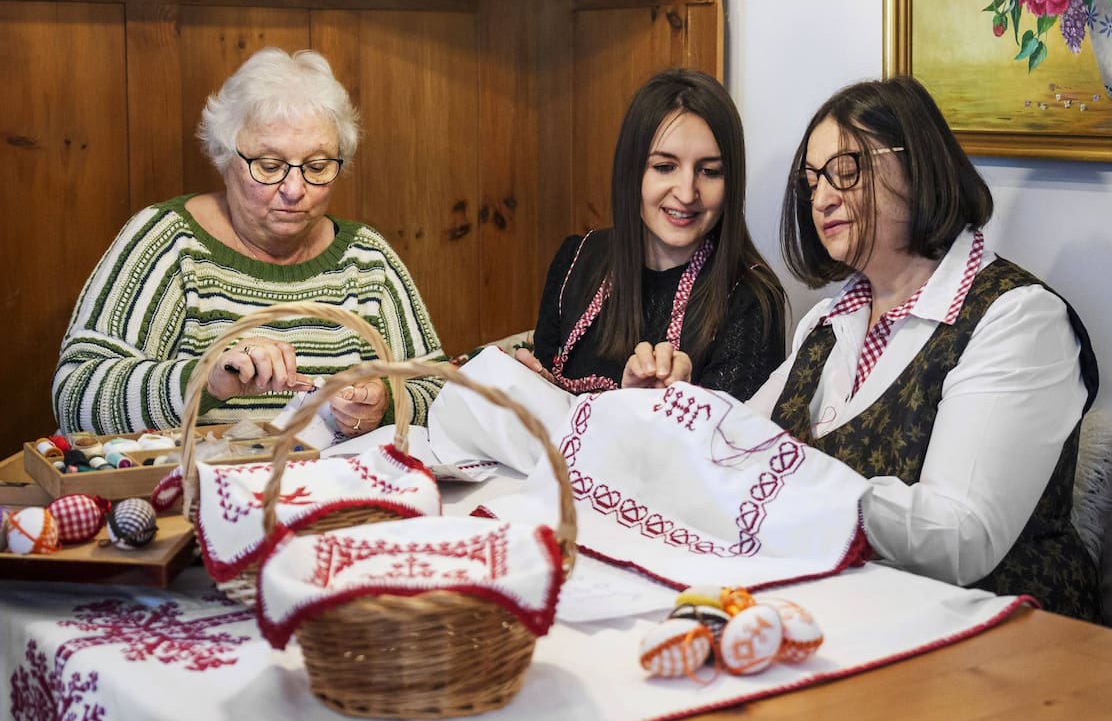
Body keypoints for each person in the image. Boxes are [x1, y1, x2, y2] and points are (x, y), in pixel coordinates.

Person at [747, 76, 1100, 621]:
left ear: (917, 167)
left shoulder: (1017, 318)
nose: (821, 197)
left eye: (846, 169)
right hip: (855, 617)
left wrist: (790, 484)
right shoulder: (825, 322)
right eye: (812, 179)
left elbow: (962, 539)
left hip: (1007, 640)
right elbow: (738, 446)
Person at [53, 48, 445, 437]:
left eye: (318, 166)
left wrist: (387, 404)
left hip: (338, 491)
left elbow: (443, 396)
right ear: (225, 158)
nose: (295, 189)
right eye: (270, 166)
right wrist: (208, 380)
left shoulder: (367, 259)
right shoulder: (169, 243)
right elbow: (76, 397)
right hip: (198, 491)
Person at [515, 69, 788, 401]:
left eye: (710, 171)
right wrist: (537, 392)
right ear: (632, 172)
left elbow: (733, 445)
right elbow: (549, 408)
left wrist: (667, 405)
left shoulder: (751, 300)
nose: (687, 193)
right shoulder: (576, 260)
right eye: (665, 167)